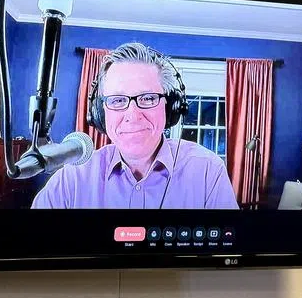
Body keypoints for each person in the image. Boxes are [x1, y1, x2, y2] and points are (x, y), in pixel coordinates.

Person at [31, 42, 238, 209]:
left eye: (147, 98)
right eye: (117, 100)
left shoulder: (207, 171)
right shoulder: (72, 179)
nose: (133, 115)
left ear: (169, 108)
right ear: (100, 113)